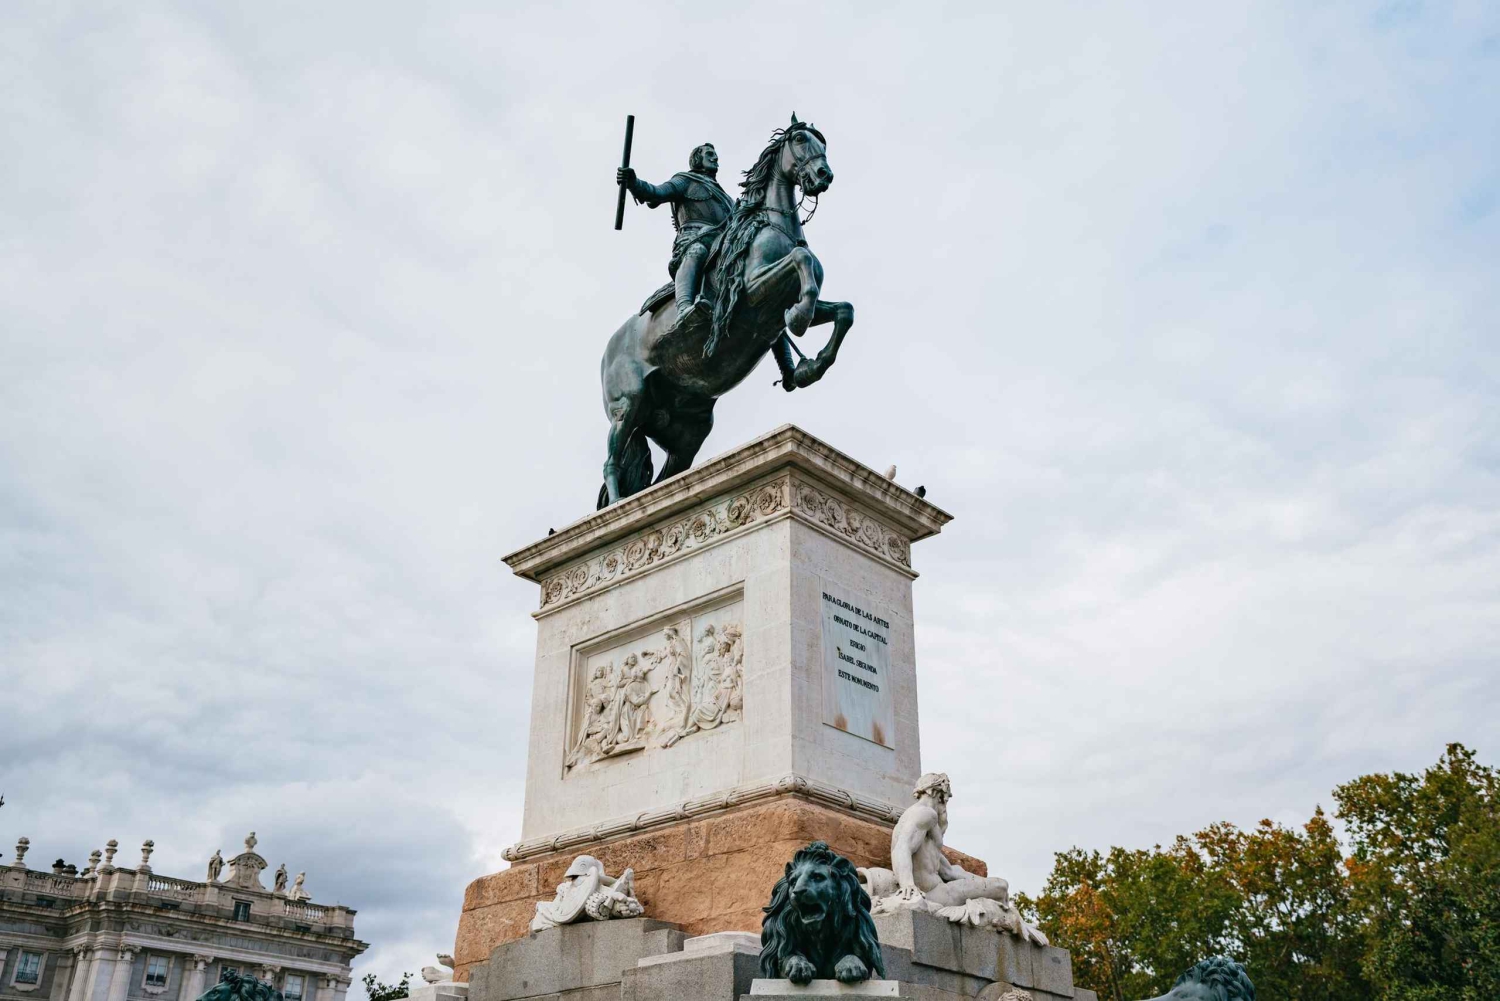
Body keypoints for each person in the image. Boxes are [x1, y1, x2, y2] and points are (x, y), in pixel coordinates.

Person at [617, 143, 734, 323]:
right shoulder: (685, 180)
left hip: (724, 243)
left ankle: (783, 350)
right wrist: (633, 182)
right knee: (697, 251)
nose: (715, 157)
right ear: (697, 159)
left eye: (716, 154)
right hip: (695, 237)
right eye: (709, 154)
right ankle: (684, 307)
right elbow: (656, 192)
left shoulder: (727, 199)